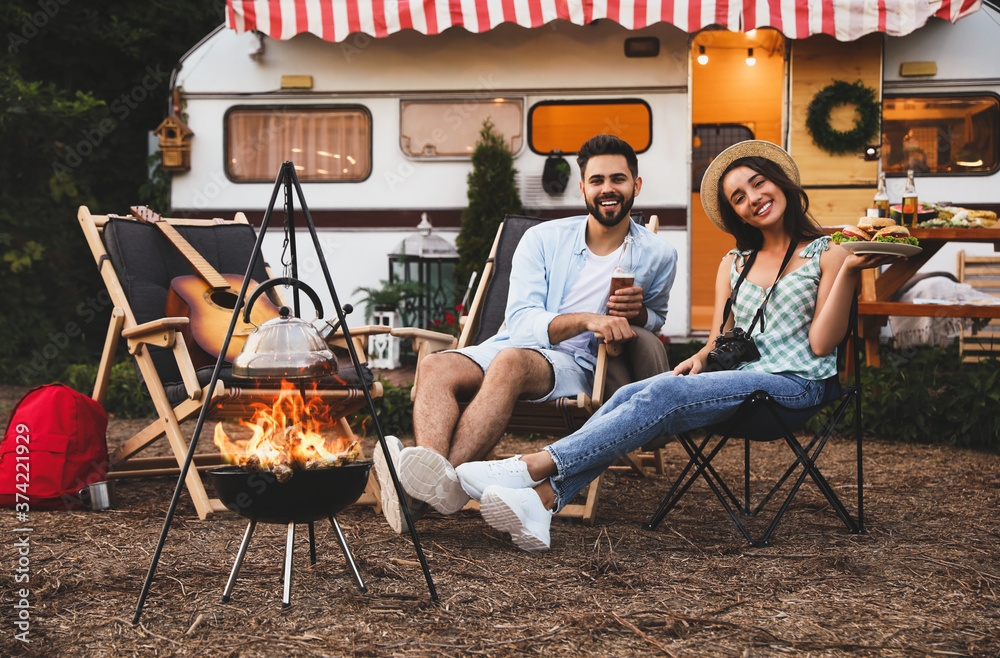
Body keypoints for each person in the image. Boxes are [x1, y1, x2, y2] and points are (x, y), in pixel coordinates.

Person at [456, 140, 897, 551]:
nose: (752, 198)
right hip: (738, 381)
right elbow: (720, 340)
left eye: (757, 183)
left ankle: (529, 467)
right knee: (634, 393)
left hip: (796, 385)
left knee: (665, 393)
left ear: (781, 182)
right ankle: (543, 503)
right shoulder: (734, 263)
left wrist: (853, 273)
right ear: (736, 214)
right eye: (738, 198)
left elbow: (822, 345)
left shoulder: (831, 252)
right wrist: (699, 359)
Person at [373, 134, 679, 533]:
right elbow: (520, 321)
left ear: (635, 186)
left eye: (618, 179)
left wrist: (637, 314)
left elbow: (656, 316)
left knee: (511, 363)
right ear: (583, 187)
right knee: (434, 366)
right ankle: (436, 483)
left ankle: (418, 492)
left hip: (580, 363)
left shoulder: (659, 254)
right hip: (513, 343)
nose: (608, 189)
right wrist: (589, 318)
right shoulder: (543, 238)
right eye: (598, 180)